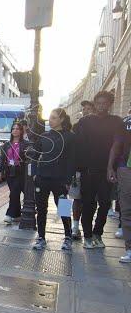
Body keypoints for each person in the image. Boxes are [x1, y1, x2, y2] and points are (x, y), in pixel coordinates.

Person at [74, 91, 125, 249]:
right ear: (95, 104)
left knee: (105, 203)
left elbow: (117, 144)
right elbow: (78, 146)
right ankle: (88, 236)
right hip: (88, 170)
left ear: (110, 104)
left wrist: (111, 167)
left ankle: (98, 233)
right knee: (88, 203)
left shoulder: (117, 121)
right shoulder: (84, 122)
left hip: (106, 169)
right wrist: (76, 170)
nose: (101, 106)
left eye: (105, 103)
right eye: (99, 103)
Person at [30, 108, 76, 251]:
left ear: (62, 119)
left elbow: (71, 161)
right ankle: (41, 237)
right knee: (41, 209)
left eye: (54, 118)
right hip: (42, 178)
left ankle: (68, 237)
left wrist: (68, 181)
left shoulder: (70, 137)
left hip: (60, 180)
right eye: (50, 117)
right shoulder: (44, 136)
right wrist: (35, 174)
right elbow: (34, 156)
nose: (50, 120)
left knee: (63, 208)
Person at [108, 107, 131, 263]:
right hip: (126, 168)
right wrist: (110, 166)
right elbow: (117, 145)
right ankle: (129, 249)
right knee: (127, 209)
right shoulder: (126, 123)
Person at [71, 100, 96, 239]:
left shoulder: (99, 128)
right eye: (84, 109)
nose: (86, 111)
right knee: (76, 199)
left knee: (91, 202)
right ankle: (74, 227)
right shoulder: (77, 126)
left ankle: (87, 226)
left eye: (89, 109)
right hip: (78, 170)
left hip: (94, 170)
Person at [0, 122, 29, 224]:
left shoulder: (25, 144)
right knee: (14, 193)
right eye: (13, 128)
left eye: (17, 129)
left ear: (21, 131)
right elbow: (2, 159)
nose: (15, 130)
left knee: (14, 193)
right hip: (10, 172)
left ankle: (9, 214)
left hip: (21, 172)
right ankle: (17, 215)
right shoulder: (6, 145)